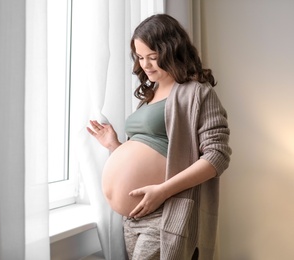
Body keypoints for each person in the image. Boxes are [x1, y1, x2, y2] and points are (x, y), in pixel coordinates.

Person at [87, 13, 231, 260]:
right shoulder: (149, 96)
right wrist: (115, 146)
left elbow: (217, 157)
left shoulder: (197, 93)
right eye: (140, 57)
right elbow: (153, 150)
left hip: (165, 211)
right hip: (133, 217)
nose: (145, 65)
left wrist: (162, 191)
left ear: (172, 51)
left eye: (153, 57)